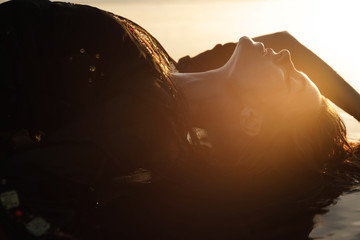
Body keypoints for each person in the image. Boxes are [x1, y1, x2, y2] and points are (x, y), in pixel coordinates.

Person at [1, 0, 360, 239]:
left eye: (290, 80)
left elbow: (18, 194)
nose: (285, 57)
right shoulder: (179, 72)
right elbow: (287, 42)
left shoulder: (149, 121)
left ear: (251, 118)